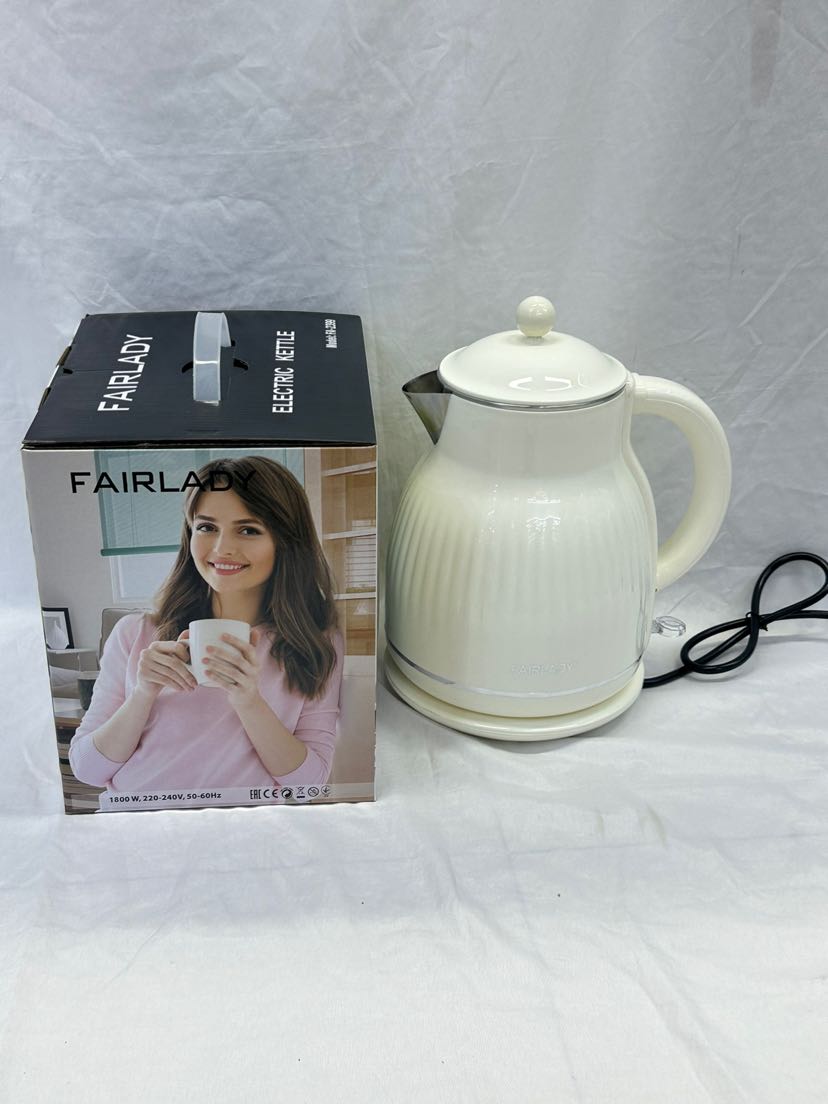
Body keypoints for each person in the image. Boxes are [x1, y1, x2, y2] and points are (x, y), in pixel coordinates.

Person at [70, 456, 344, 794]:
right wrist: (142, 694)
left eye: (248, 530)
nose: (221, 548)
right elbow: (86, 769)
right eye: (206, 527)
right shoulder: (135, 633)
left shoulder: (315, 643)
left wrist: (249, 701)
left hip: (244, 823)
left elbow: (309, 784)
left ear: (285, 541)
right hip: (136, 820)